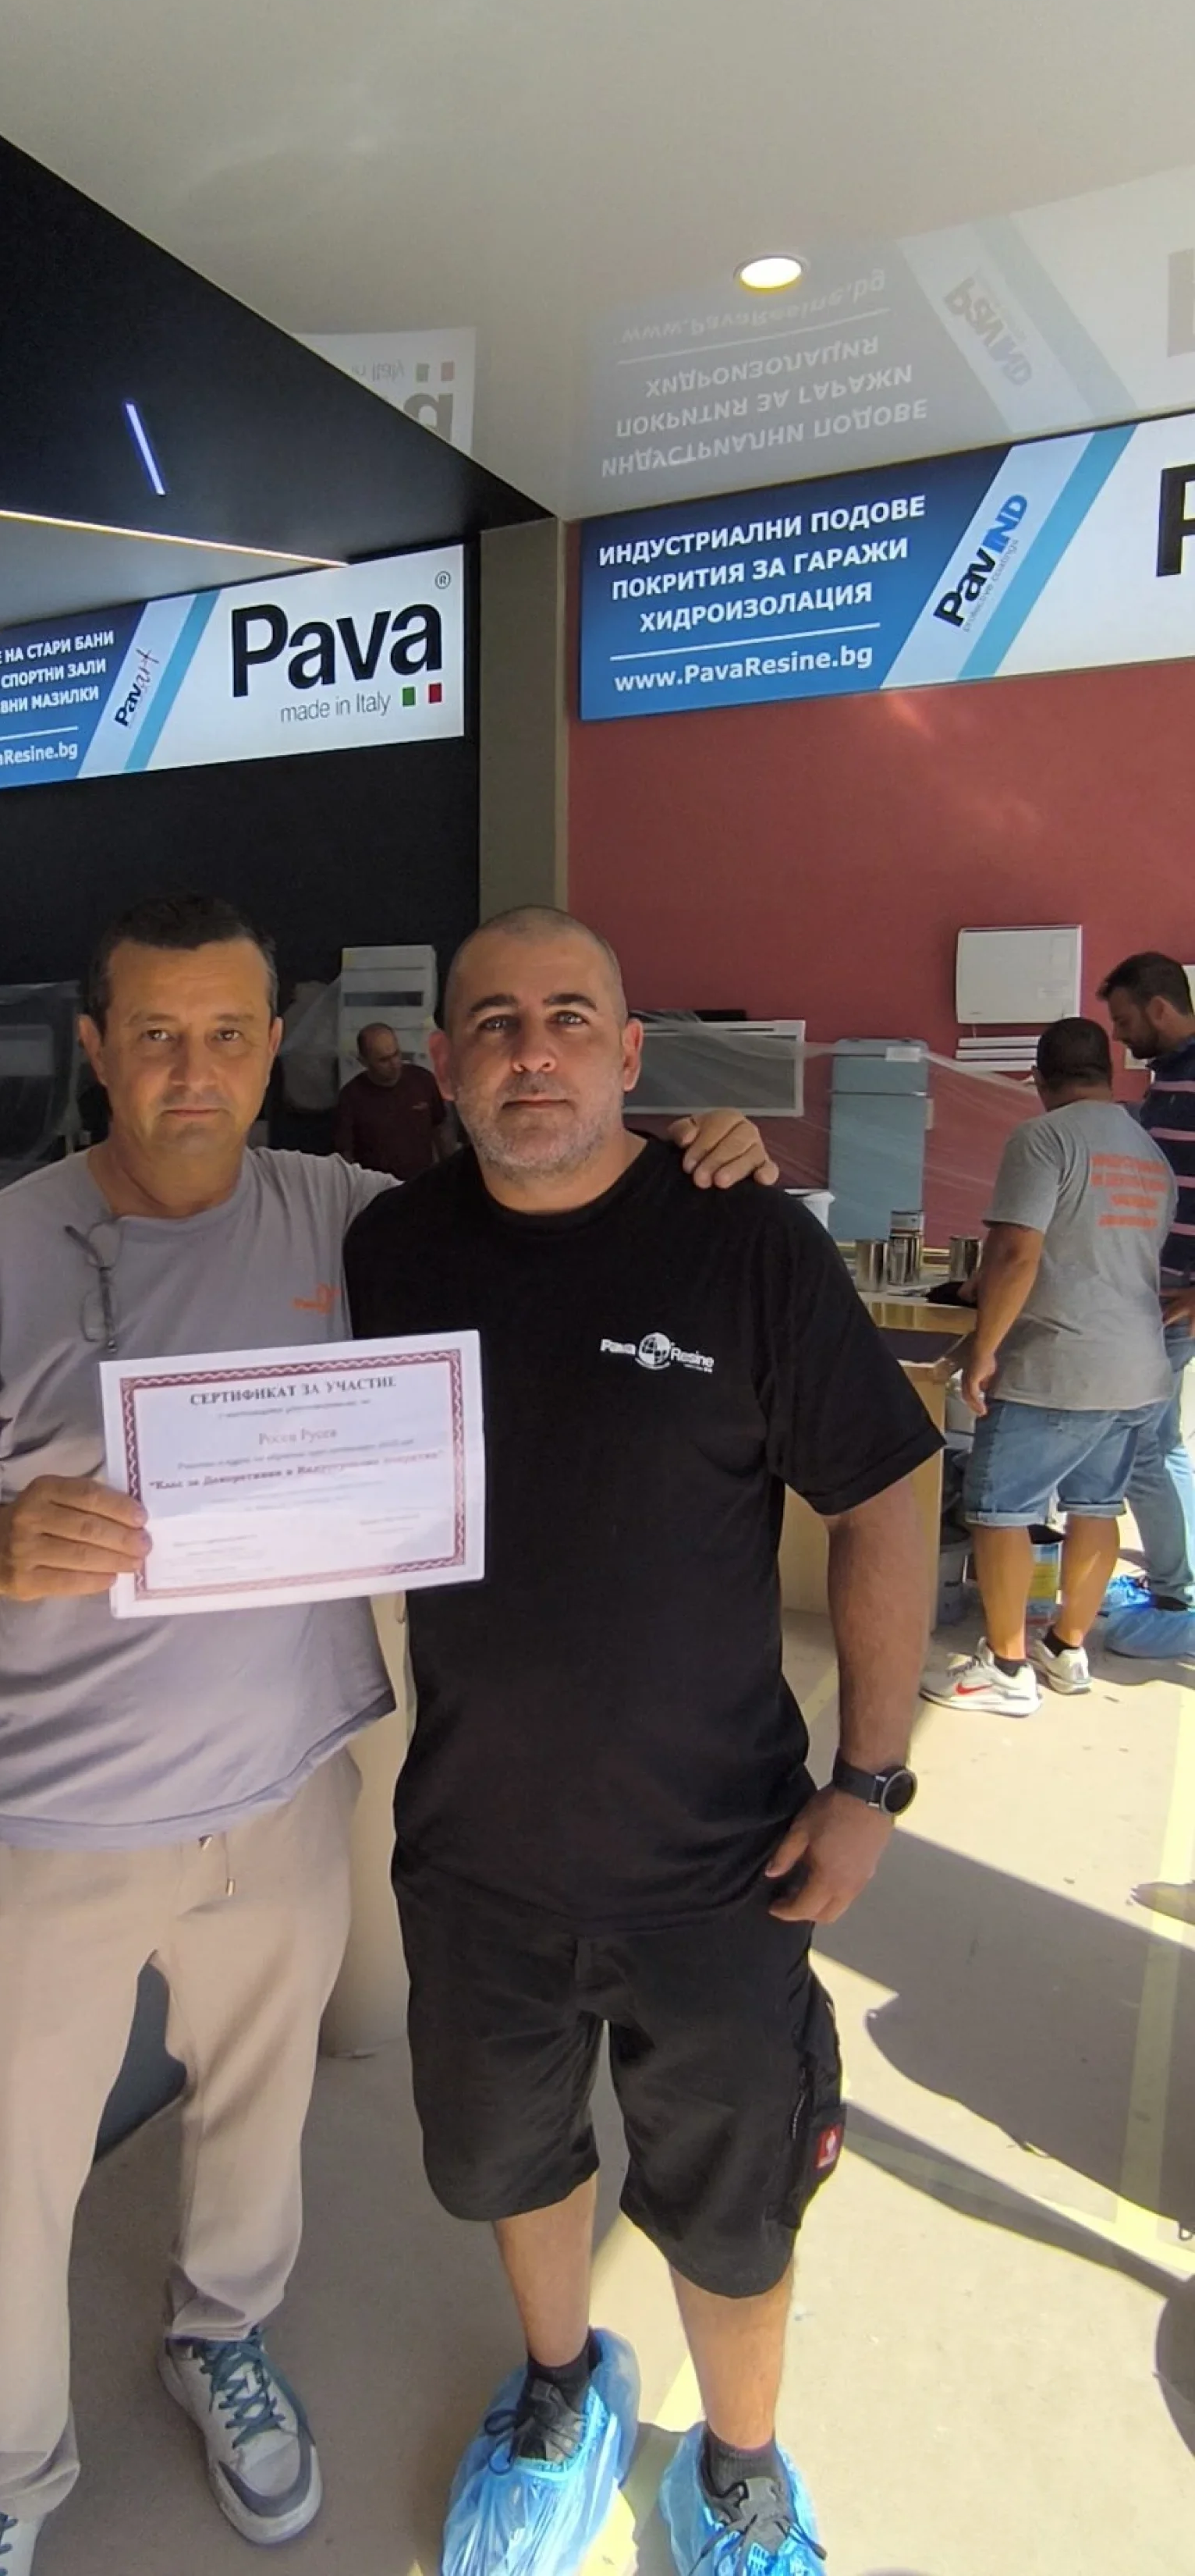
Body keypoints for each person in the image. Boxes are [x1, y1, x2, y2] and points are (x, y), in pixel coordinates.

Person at [0, 892, 775, 2576]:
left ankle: (221, 2334)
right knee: (10, 2171)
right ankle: (2, 2475)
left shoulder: (352, 1220)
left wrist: (693, 1158)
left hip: (279, 1793)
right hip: (54, 1809)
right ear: (97, 1048)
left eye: (226, 1034)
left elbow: (549, 1205)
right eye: (154, 1035)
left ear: (276, 1047)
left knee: (254, 2121)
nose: (191, 1070)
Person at [342, 906, 939, 2576]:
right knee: (507, 2156)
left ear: (627, 1053)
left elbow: (888, 1491)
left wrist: (870, 1780)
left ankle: (741, 2464)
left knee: (735, 2196)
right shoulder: (392, 1250)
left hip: (718, 1859)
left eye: (568, 1017)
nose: (530, 1050)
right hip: (475, 1850)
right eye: (493, 1021)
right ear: (446, 1060)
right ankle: (562, 2383)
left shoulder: (741, 1238)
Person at [924, 1017, 1173, 1718]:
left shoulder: (1043, 1138)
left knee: (999, 1510)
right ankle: (1066, 1649)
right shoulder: (1148, 1152)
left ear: (1039, 1077)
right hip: (1136, 1366)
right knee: (1097, 1506)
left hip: (1058, 1364)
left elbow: (1016, 1252)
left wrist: (983, 1349)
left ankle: (1006, 1667)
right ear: (1110, 1074)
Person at [1097, 953, 1195, 1658]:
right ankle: (1180, 1582)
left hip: (1172, 1299)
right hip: (1157, 1292)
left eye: (1126, 1020)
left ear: (1160, 1008)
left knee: (1137, 1451)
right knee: (1164, 1441)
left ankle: (1173, 1596)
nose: (1122, 1036)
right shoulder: (1168, 1079)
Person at [334, 1020, 451, 1180]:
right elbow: (345, 1155)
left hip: (422, 1182)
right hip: (377, 1186)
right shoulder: (351, 1097)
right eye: (383, 1060)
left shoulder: (422, 1080)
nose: (394, 1064)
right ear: (364, 1061)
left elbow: (441, 1129)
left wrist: (450, 1172)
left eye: (396, 1054)